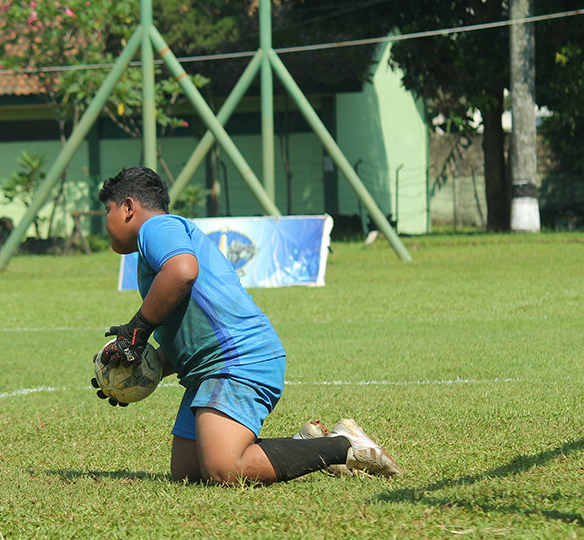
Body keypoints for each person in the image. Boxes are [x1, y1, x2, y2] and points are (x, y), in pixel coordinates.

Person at [93, 166, 402, 485]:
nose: (105, 220)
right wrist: (138, 367)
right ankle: (305, 447)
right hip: (208, 370)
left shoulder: (156, 227)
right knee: (188, 472)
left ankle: (343, 445)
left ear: (128, 207)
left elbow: (184, 271)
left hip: (239, 361)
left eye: (108, 210)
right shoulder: (158, 246)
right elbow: (190, 334)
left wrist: (137, 329)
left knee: (224, 470)